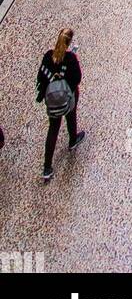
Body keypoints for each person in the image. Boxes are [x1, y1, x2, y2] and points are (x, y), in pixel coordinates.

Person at [36, 27, 85, 183]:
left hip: (52, 100)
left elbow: (40, 78)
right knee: (71, 116)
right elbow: (77, 78)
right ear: (69, 42)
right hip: (67, 96)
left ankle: (47, 167)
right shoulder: (70, 58)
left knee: (53, 129)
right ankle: (73, 139)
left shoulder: (47, 57)